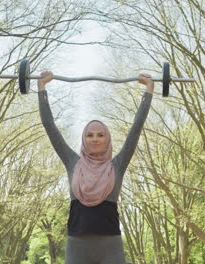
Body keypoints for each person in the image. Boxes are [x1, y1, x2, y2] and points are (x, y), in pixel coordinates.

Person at [37, 70, 153, 264]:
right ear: (84, 138)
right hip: (77, 244)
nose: (95, 139)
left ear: (107, 138)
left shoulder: (117, 164)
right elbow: (50, 127)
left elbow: (136, 127)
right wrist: (41, 89)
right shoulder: (73, 162)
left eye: (100, 135)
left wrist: (149, 91)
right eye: (90, 135)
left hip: (110, 246)